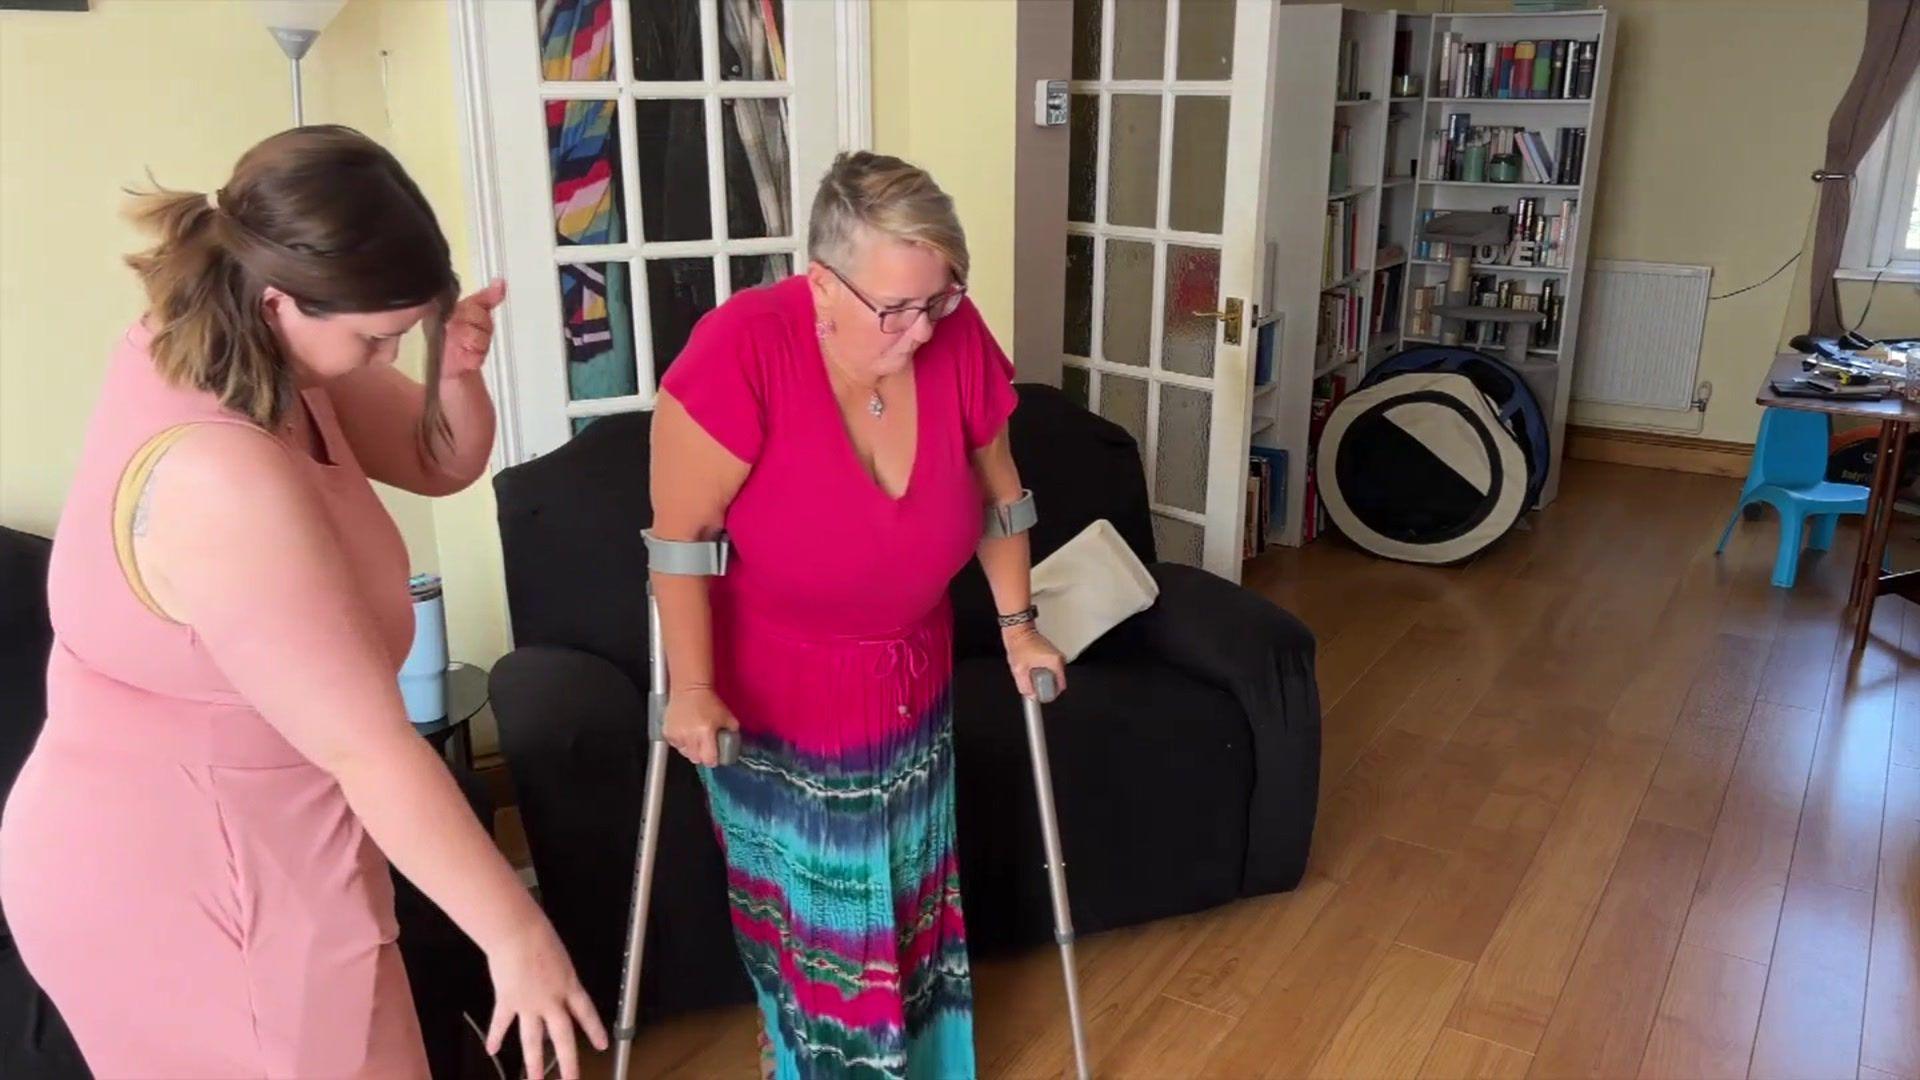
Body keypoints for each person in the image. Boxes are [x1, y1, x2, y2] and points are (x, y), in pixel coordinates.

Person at [0, 127, 605, 1079]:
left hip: (284, 832)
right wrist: (516, 936)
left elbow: (435, 459)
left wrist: (453, 370)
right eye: (377, 337)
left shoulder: (270, 355)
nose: (388, 355)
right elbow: (365, 742)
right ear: (280, 298)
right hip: (187, 869)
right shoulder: (219, 480)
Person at [648, 150, 1068, 1078]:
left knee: (911, 901)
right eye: (896, 310)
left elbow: (1005, 498)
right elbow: (679, 545)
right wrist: (693, 686)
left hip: (910, 686)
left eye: (940, 300)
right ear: (820, 285)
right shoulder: (739, 349)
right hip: (777, 701)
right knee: (817, 926)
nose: (921, 332)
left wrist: (1018, 623)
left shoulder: (952, 338)